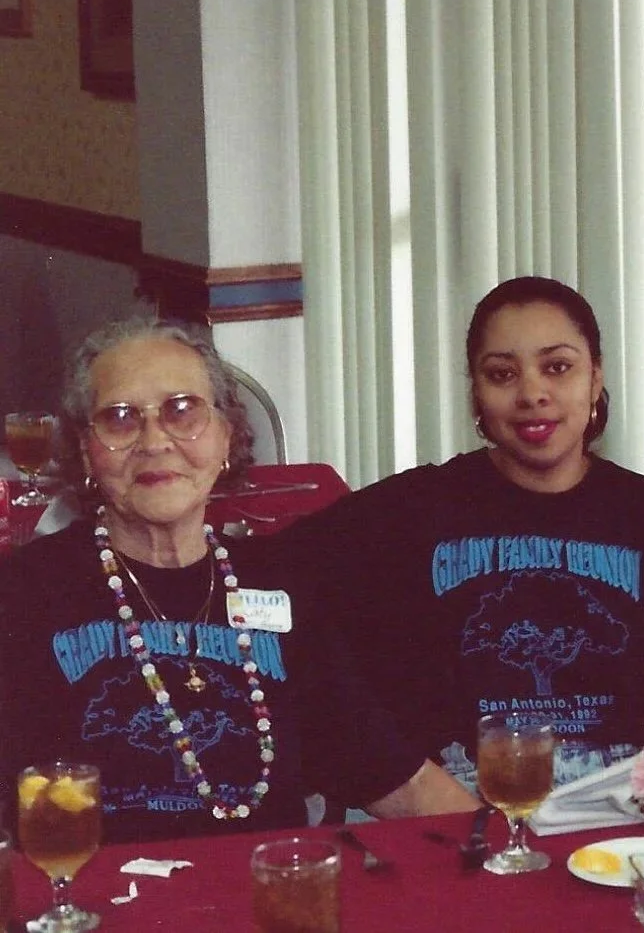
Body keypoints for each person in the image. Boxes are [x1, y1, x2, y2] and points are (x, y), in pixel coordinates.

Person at [0, 317, 479, 843]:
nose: (154, 441)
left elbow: (393, 777)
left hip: (266, 896)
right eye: (119, 418)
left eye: (183, 411)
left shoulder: (280, 585)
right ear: (85, 449)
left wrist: (514, 855)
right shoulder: (24, 594)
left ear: (226, 434)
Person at [285, 276, 644, 790]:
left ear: (596, 379)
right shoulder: (418, 506)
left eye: (558, 367)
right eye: (502, 374)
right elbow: (271, 573)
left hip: (618, 796)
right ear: (476, 395)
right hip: (466, 799)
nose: (532, 394)